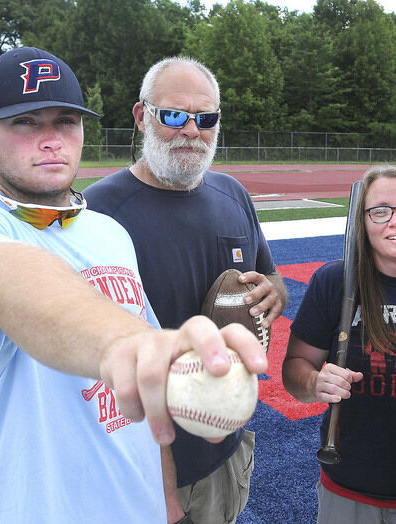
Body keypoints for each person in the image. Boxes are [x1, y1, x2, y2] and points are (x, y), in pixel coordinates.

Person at [0, 47, 267, 523]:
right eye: (24, 122)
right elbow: (5, 277)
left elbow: (140, 395)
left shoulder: (108, 233)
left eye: (65, 120)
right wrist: (123, 340)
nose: (50, 140)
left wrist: (168, 506)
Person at [84, 56, 287, 524]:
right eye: (173, 115)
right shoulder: (98, 212)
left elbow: (269, 276)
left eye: (206, 118)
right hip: (145, 469)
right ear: (142, 116)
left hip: (226, 446)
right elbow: (90, 368)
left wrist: (274, 291)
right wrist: (164, 489)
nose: (191, 130)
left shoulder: (233, 193)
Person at [282, 165, 396, 523]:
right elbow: (295, 368)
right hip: (349, 485)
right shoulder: (333, 281)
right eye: (380, 211)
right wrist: (313, 383)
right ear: (362, 222)